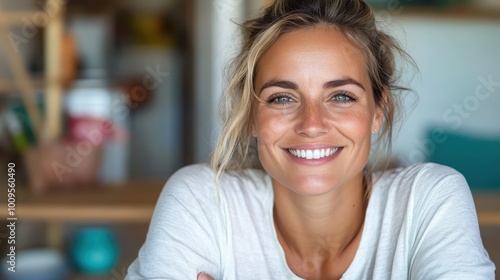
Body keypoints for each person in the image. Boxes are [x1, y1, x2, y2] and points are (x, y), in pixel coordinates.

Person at [125, 0, 495, 279]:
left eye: (341, 96)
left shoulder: (429, 200)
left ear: (378, 110)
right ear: (252, 114)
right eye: (282, 98)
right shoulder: (202, 200)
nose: (312, 124)